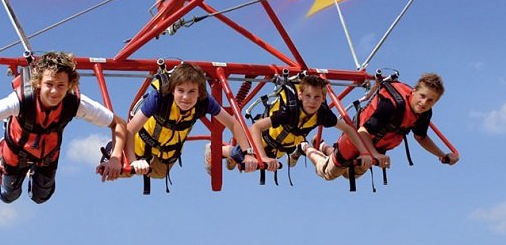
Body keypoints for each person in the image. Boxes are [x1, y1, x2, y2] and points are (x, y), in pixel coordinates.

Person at [0, 52, 128, 204]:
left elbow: (118, 123)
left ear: (69, 85)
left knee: (41, 197)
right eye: (49, 84)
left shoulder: (75, 103)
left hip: (48, 154)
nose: (54, 91)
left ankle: (34, 174)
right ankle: (3, 150)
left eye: (61, 85)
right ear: (38, 83)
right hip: (16, 152)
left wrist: (115, 157)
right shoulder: (19, 101)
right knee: (10, 195)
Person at [303, 72, 459, 183]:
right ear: (414, 91)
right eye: (422, 96)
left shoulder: (424, 113)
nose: (424, 103)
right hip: (355, 141)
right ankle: (305, 147)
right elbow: (363, 132)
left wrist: (441, 154)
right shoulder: (391, 106)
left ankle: (324, 146)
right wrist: (375, 155)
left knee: (350, 174)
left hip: (373, 150)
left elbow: (421, 137)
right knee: (329, 173)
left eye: (430, 101)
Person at [208, 75, 373, 173]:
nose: (312, 102)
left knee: (252, 163)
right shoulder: (289, 112)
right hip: (259, 142)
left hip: (280, 149)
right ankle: (215, 150)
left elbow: (348, 128)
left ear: (323, 98)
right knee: (240, 155)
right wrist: (261, 156)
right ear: (300, 95)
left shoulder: (322, 114)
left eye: (317, 97)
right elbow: (256, 127)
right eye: (308, 96)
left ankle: (233, 158)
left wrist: (364, 152)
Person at [123, 62, 258, 180]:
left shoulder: (204, 102)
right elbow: (130, 129)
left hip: (167, 155)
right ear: (172, 90)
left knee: (160, 174)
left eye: (192, 91)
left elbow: (233, 123)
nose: (186, 97)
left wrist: (248, 153)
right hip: (138, 146)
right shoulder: (160, 98)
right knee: (121, 169)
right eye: (180, 91)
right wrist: (133, 161)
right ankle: (113, 150)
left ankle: (217, 150)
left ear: (199, 93)